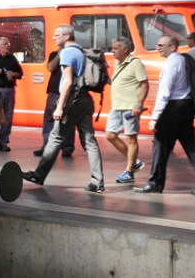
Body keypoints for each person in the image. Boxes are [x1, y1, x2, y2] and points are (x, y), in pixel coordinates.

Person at [23, 24, 103, 192]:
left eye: (57, 35)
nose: (53, 38)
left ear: (67, 36)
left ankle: (38, 175)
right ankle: (97, 181)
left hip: (72, 100)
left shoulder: (67, 52)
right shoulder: (81, 51)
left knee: (56, 138)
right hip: (86, 99)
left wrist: (59, 107)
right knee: (89, 141)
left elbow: (67, 81)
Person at [135, 35, 195, 193]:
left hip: (173, 107)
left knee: (160, 145)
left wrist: (154, 118)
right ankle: (155, 182)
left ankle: (155, 183)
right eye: (157, 44)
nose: (158, 47)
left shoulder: (171, 64)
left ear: (173, 47)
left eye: (162, 45)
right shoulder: (183, 60)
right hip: (186, 105)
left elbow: (164, 92)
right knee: (190, 146)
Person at [106, 36, 148, 183]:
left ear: (125, 49)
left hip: (130, 108)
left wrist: (138, 104)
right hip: (116, 106)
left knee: (131, 139)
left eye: (115, 49)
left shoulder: (135, 63)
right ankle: (135, 162)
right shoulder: (118, 63)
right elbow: (118, 83)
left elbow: (144, 84)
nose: (112, 51)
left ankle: (129, 172)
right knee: (110, 135)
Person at [33, 48, 75, 158]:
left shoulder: (74, 53)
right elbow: (50, 67)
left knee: (67, 120)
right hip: (54, 91)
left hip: (69, 92)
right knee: (49, 119)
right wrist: (59, 55)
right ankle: (46, 147)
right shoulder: (54, 54)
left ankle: (67, 148)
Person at [0, 36, 23, 151]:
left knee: (7, 117)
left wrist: (12, 74)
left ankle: (3, 142)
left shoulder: (12, 58)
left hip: (10, 90)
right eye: (5, 44)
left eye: (8, 44)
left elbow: (20, 73)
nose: (7, 46)